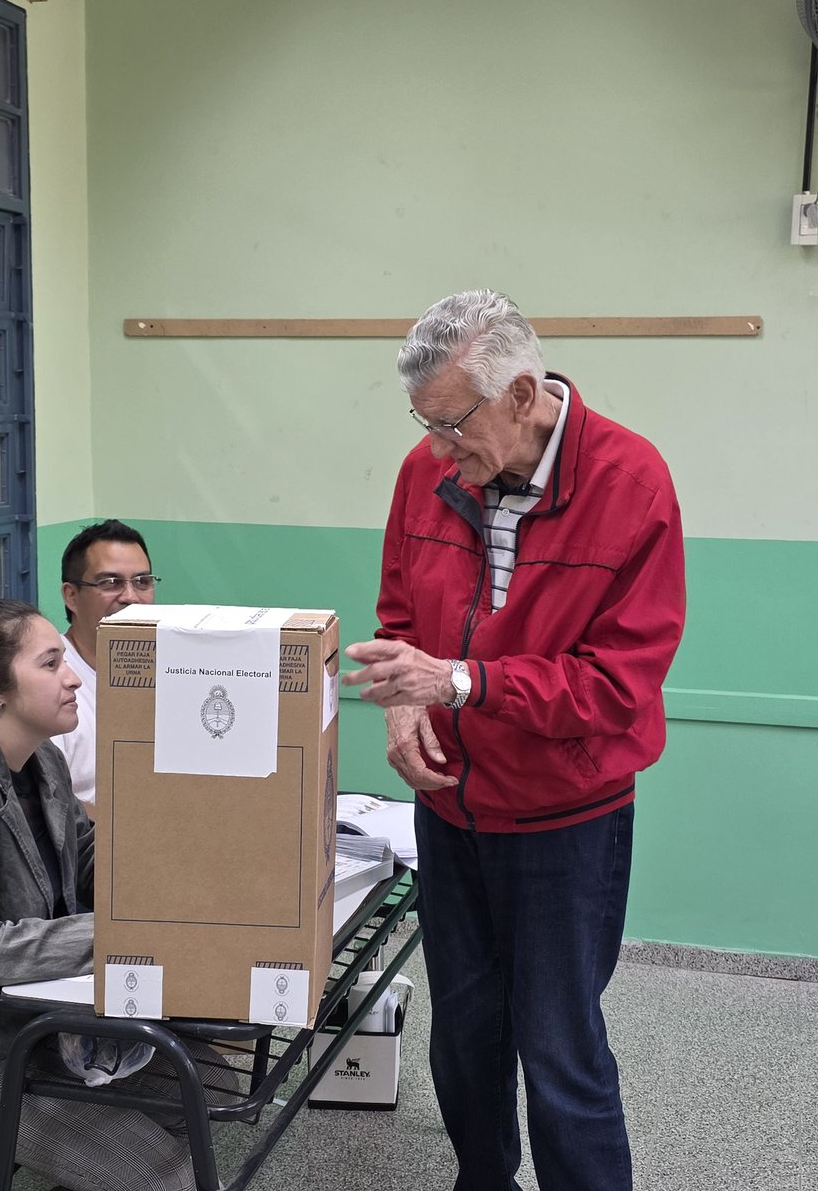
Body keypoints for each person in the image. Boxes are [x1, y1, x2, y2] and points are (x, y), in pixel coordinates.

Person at [344, 290, 685, 1191]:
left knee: (558, 1044)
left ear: (524, 395)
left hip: (566, 816)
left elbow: (619, 685)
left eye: (453, 426)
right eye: (425, 426)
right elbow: (401, 613)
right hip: (452, 804)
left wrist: (459, 682)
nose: (438, 452)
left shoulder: (631, 481)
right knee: (464, 1033)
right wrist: (406, 706)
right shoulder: (430, 469)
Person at [0, 596, 234, 1191]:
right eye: (50, 664)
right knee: (162, 1174)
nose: (71, 678)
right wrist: (121, 931)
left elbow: (87, 859)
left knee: (207, 1085)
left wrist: (188, 855)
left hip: (31, 1019)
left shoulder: (42, 758)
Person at [52, 519, 159, 806]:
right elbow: (49, 804)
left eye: (142, 582)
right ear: (71, 596)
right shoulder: (51, 677)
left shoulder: (170, 670)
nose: (130, 597)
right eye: (110, 582)